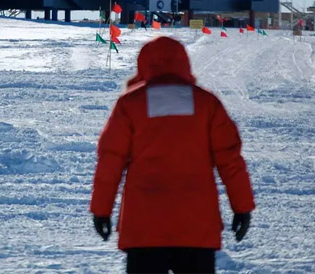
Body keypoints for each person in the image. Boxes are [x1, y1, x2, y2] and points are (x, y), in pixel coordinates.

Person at [90, 36, 255, 274]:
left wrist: (101, 210)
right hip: (197, 226)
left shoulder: (130, 104)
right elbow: (230, 161)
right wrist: (242, 207)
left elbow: (110, 161)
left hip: (144, 227)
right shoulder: (207, 103)